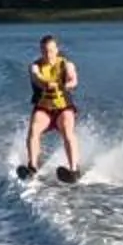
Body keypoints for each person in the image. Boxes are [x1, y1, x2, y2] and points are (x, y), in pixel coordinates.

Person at [20, 34, 82, 180]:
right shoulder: (35, 66)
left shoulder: (66, 65)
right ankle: (32, 167)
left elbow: (73, 79)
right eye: (44, 51)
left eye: (51, 50)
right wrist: (45, 83)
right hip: (44, 108)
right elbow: (36, 77)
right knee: (34, 130)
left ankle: (73, 169)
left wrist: (67, 84)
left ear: (56, 49)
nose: (48, 54)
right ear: (41, 51)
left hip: (63, 108)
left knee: (68, 131)